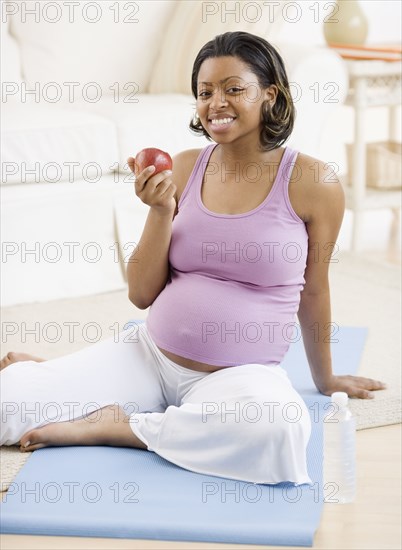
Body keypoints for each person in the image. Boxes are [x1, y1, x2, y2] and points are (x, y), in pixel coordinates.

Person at [0, 32, 386, 485]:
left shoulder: (313, 182)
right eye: (205, 92)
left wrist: (326, 380)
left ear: (270, 93)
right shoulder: (183, 167)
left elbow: (315, 287)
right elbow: (141, 295)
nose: (215, 103)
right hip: (148, 355)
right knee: (9, 403)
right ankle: (61, 377)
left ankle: (122, 425)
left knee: (277, 431)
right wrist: (160, 211)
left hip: (239, 375)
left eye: (233, 88)